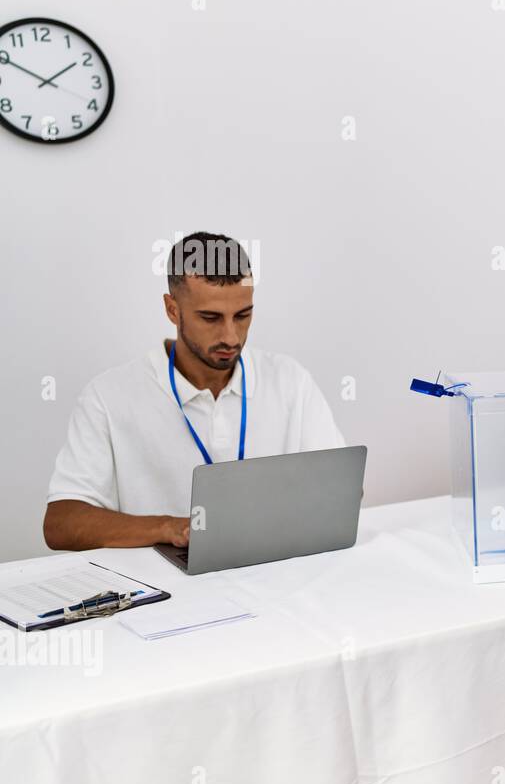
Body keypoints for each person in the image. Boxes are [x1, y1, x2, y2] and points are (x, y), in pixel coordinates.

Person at [43, 232, 346, 551]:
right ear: (172, 309)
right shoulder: (108, 396)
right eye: (211, 318)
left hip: (272, 578)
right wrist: (170, 528)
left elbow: (342, 491)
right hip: (169, 593)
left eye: (242, 315)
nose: (231, 336)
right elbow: (61, 523)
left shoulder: (290, 381)